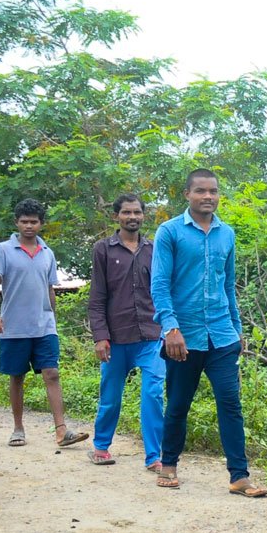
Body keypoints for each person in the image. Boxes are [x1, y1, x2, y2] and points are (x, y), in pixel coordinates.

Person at [150, 168, 266, 497]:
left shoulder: (226, 234)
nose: (208, 197)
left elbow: (227, 285)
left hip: (222, 335)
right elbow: (159, 285)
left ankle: (239, 475)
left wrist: (237, 327)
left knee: (230, 403)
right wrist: (170, 327)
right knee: (178, 404)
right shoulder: (170, 232)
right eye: (200, 191)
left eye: (213, 191)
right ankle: (169, 463)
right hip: (182, 338)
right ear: (187, 194)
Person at [0, 198, 89, 449]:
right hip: (14, 326)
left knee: (52, 373)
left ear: (41, 224)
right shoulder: (3, 250)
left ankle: (62, 430)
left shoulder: (47, 253)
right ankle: (18, 428)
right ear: (16, 223)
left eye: (33, 222)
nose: (29, 226)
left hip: (44, 325)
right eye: (24, 221)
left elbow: (49, 287)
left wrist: (52, 317)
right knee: (17, 376)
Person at [87, 193, 165, 469]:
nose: (132, 217)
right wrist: (100, 337)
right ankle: (101, 446)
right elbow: (97, 297)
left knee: (154, 393)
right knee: (110, 396)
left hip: (151, 335)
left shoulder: (155, 249)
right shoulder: (103, 249)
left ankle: (154, 456)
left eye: (137, 212)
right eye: (126, 213)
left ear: (144, 216)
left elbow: (165, 290)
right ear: (116, 216)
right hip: (116, 337)